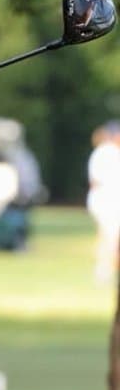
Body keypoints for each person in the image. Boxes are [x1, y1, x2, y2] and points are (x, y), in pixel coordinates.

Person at [87, 122, 120, 285]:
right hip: (107, 201)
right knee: (111, 238)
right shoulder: (109, 152)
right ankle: (105, 271)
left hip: (104, 200)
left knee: (107, 237)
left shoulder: (105, 152)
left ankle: (104, 270)